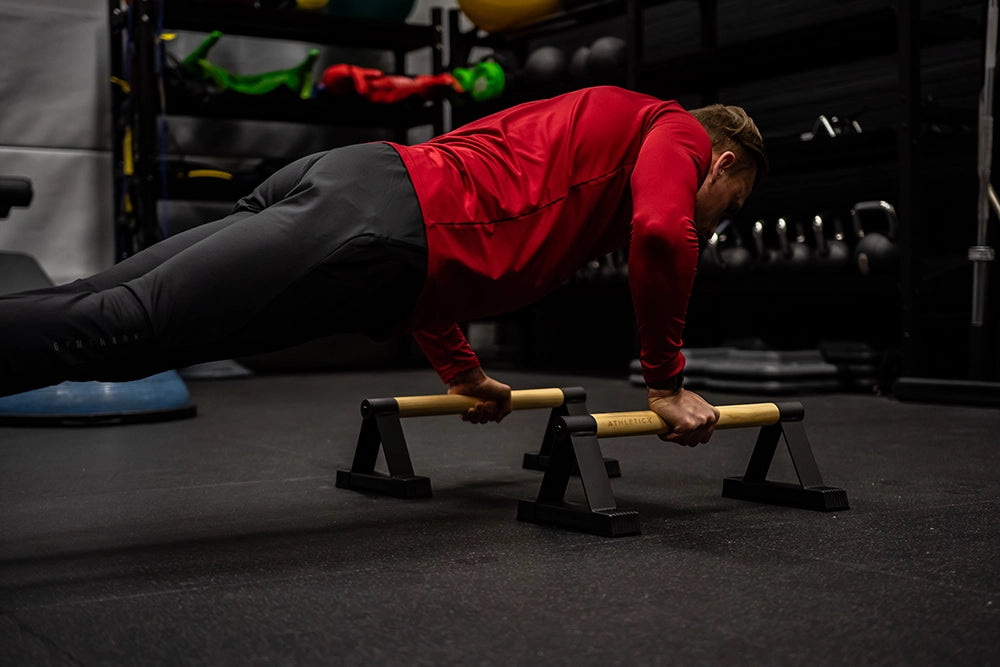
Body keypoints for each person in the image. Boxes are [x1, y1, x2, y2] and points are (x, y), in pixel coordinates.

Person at [0, 86, 766, 447]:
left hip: (357, 185)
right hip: (376, 225)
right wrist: (664, 381)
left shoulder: (601, 126)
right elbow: (665, 235)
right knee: (131, 329)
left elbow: (455, 234)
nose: (715, 219)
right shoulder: (674, 131)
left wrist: (461, 371)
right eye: (726, 204)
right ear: (721, 159)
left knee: (105, 298)